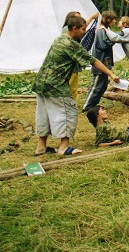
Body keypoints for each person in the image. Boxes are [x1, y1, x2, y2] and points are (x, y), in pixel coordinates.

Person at [32, 16, 120, 156]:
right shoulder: (70, 45)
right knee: (69, 112)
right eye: (83, 29)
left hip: (41, 84)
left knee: (45, 114)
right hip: (56, 85)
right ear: (74, 29)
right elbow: (93, 60)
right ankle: (64, 147)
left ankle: (41, 147)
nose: (85, 32)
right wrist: (111, 73)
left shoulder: (60, 38)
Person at [82, 10, 118, 112]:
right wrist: (114, 40)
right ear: (108, 20)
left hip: (105, 63)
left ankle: (93, 104)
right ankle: (86, 106)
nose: (115, 21)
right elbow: (103, 45)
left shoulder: (105, 30)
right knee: (96, 86)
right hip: (100, 62)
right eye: (113, 19)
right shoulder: (101, 31)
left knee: (103, 86)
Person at [61, 10, 100, 99]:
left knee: (73, 87)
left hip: (74, 64)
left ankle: (71, 102)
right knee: (69, 85)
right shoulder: (67, 29)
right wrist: (91, 17)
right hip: (69, 64)